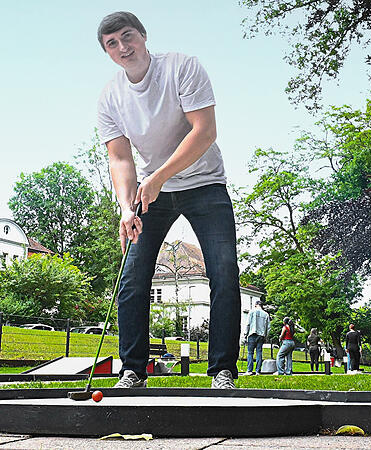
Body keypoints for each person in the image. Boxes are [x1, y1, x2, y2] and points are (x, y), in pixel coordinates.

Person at [96, 12, 241, 389]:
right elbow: (121, 158)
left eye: (128, 37)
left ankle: (222, 371)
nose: (123, 47)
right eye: (112, 44)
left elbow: (204, 131)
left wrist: (159, 176)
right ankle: (133, 370)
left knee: (223, 272)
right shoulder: (110, 96)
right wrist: (127, 208)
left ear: (143, 37)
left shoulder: (182, 67)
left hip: (205, 184)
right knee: (132, 277)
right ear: (107, 52)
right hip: (151, 192)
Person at [244, 300, 270, 375]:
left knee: (250, 353)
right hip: (261, 335)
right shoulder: (266, 314)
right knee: (259, 353)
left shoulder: (251, 312)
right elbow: (268, 327)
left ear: (256, 305)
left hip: (252, 334)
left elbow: (248, 324)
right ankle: (258, 371)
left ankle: (249, 370)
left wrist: (245, 334)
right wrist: (266, 336)